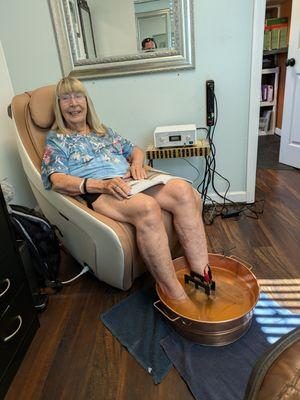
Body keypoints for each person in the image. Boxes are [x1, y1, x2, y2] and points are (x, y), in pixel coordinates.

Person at [41, 77, 211, 306]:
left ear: (87, 101)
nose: (73, 103)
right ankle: (174, 295)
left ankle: (203, 274)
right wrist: (100, 184)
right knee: (147, 207)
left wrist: (136, 164)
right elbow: (55, 179)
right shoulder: (57, 140)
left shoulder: (103, 131)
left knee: (184, 191)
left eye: (78, 96)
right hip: (100, 188)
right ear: (58, 106)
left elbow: (135, 150)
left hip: (131, 181)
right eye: (65, 98)